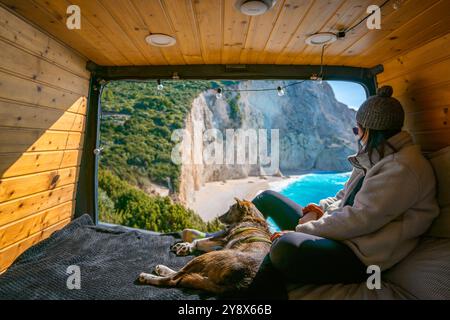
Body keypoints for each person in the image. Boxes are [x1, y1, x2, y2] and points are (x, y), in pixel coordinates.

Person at [245, 85, 440, 299]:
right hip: (340, 237)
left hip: (360, 257)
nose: (358, 135)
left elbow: (360, 219)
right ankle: (230, 243)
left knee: (284, 247)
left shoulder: (403, 168)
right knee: (266, 198)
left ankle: (248, 293)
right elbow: (342, 196)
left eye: (357, 130)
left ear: (369, 130)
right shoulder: (375, 157)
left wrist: (305, 230)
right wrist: (318, 209)